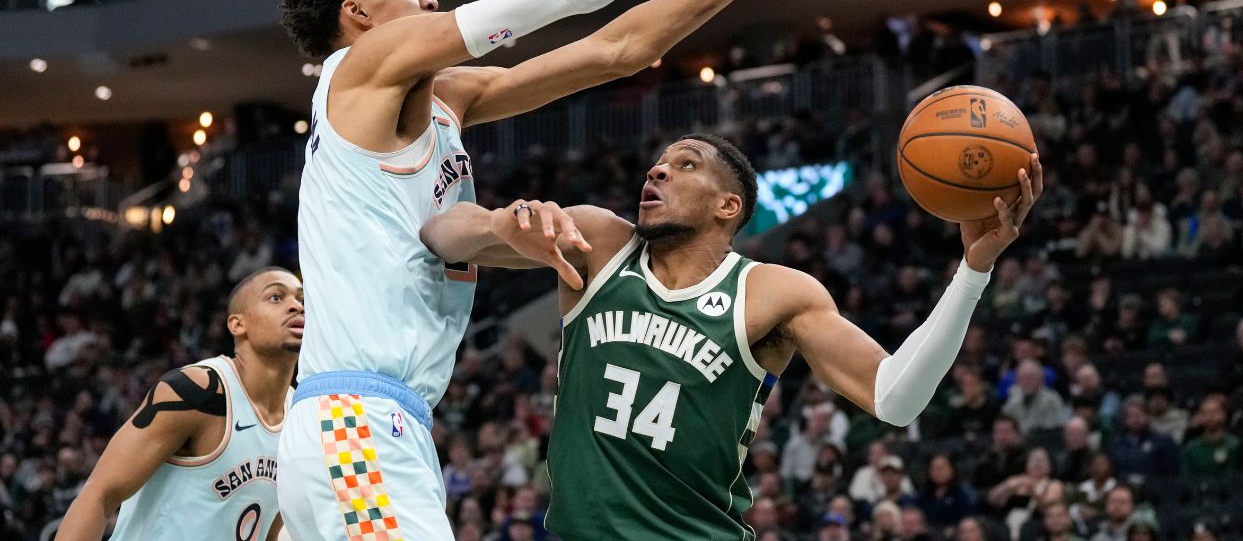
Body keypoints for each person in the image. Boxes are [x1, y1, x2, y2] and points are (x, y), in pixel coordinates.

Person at [275, 0, 889, 539]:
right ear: (358, 15)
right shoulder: (360, 66)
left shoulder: (444, 99)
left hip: (378, 422)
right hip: (355, 421)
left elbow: (618, 51)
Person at [421, 137, 1043, 539]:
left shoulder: (775, 292)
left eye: (684, 165)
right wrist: (507, 222)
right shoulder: (596, 243)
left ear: (728, 206)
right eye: (657, 163)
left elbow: (897, 397)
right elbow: (441, 233)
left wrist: (973, 269)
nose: (658, 169)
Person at [56, 268, 304, 541]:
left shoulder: (300, 417)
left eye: (302, 300)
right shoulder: (197, 391)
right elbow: (99, 494)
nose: (296, 306)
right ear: (237, 324)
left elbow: (269, 526)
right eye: (276, 297)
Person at [1181, 397, 1242, 476]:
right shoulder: (1191, 449)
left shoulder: (1235, 445)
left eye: (1214, 412)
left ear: (1223, 414)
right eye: (1205, 413)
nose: (1210, 417)